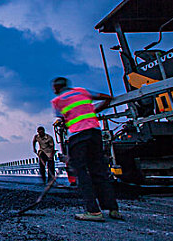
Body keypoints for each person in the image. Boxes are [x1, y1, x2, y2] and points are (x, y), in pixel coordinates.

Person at [51, 77, 123, 222]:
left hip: (78, 136)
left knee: (81, 172)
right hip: (95, 133)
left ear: (57, 88)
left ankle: (93, 211)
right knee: (99, 170)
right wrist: (94, 110)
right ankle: (113, 209)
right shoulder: (82, 92)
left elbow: (62, 120)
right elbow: (107, 98)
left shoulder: (57, 101)